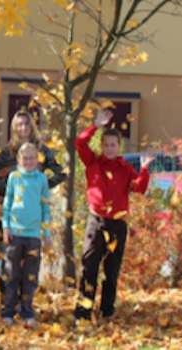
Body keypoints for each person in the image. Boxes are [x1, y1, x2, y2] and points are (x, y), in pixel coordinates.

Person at [73, 110, 154, 321]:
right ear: (102, 146)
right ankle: (83, 311)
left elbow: (138, 188)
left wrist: (144, 169)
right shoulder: (93, 162)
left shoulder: (126, 168)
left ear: (119, 147)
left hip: (117, 225)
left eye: (113, 145)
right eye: (106, 145)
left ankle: (107, 311)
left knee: (111, 271)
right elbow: (80, 143)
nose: (109, 149)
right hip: (96, 222)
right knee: (89, 268)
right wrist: (95, 126)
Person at [0, 110, 66, 307]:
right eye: (19, 125)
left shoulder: (41, 151)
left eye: (26, 124)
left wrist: (39, 186)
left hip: (28, 217)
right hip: (6, 211)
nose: (23, 128)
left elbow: (60, 173)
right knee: (0, 258)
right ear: (14, 128)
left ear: (32, 127)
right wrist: (0, 185)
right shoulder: (8, 152)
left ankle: (23, 301)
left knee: (25, 262)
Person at [0, 143, 52, 326]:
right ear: (19, 160)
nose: (28, 161)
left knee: (30, 276)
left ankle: (27, 311)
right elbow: (6, 205)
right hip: (15, 233)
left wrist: (47, 233)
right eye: (25, 158)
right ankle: (8, 311)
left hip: (34, 236)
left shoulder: (41, 179)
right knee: (12, 274)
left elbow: (46, 208)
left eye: (32, 158)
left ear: (37, 160)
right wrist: (6, 227)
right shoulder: (14, 177)